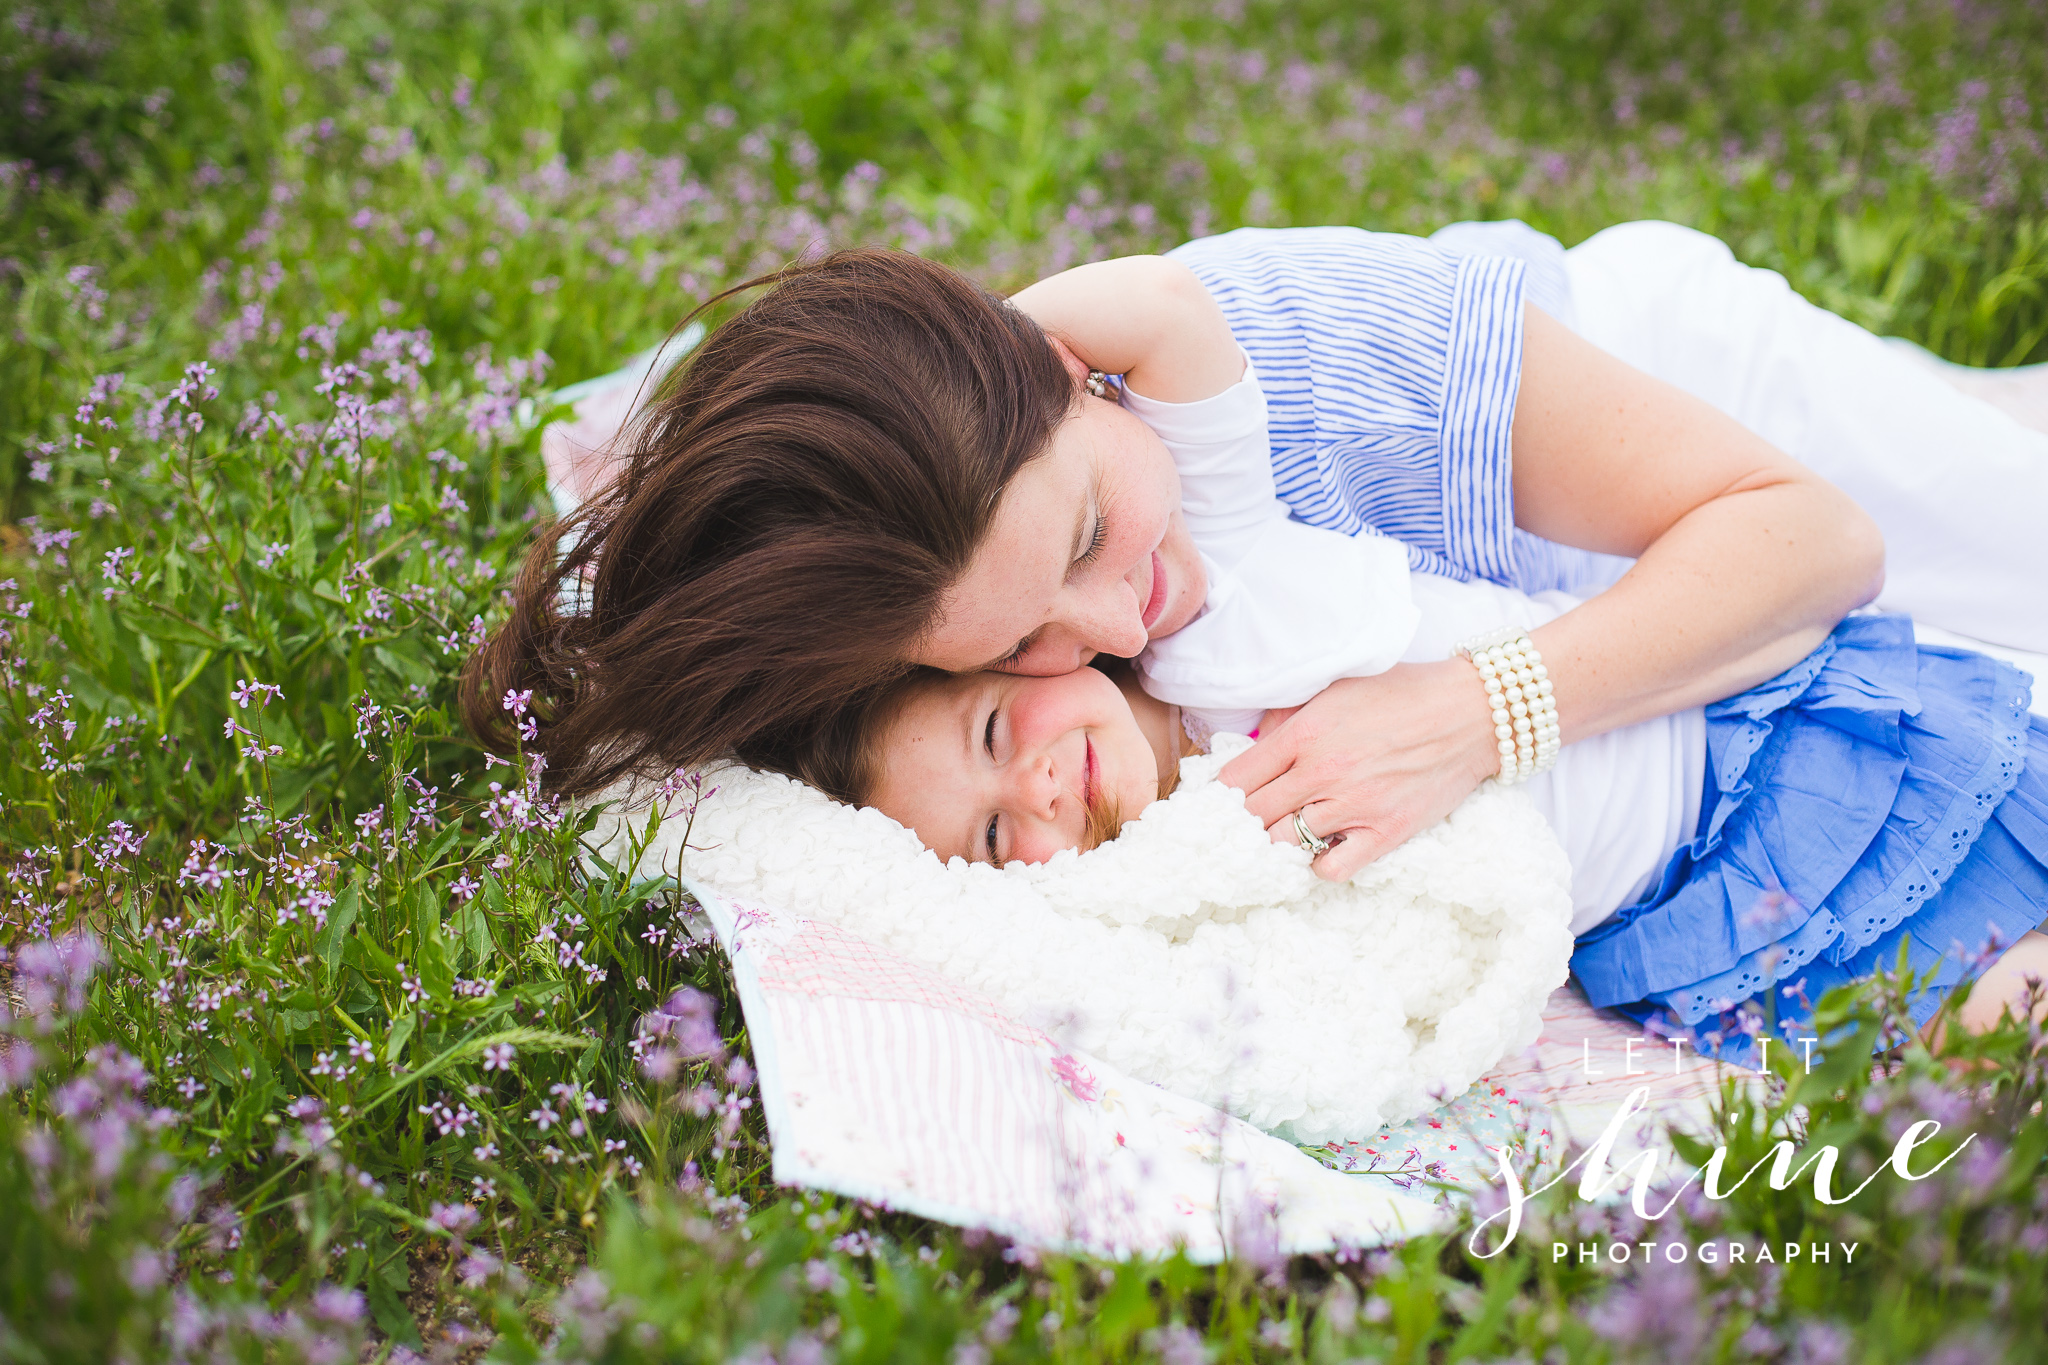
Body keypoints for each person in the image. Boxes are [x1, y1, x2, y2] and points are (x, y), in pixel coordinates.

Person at [470, 224, 2048, 890]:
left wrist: (1480, 709)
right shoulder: (936, 598)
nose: (1124, 615)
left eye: (1092, 531)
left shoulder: (1302, 357)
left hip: (1697, 457)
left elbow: (1810, 542)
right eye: (1024, 638)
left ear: (1083, 367)